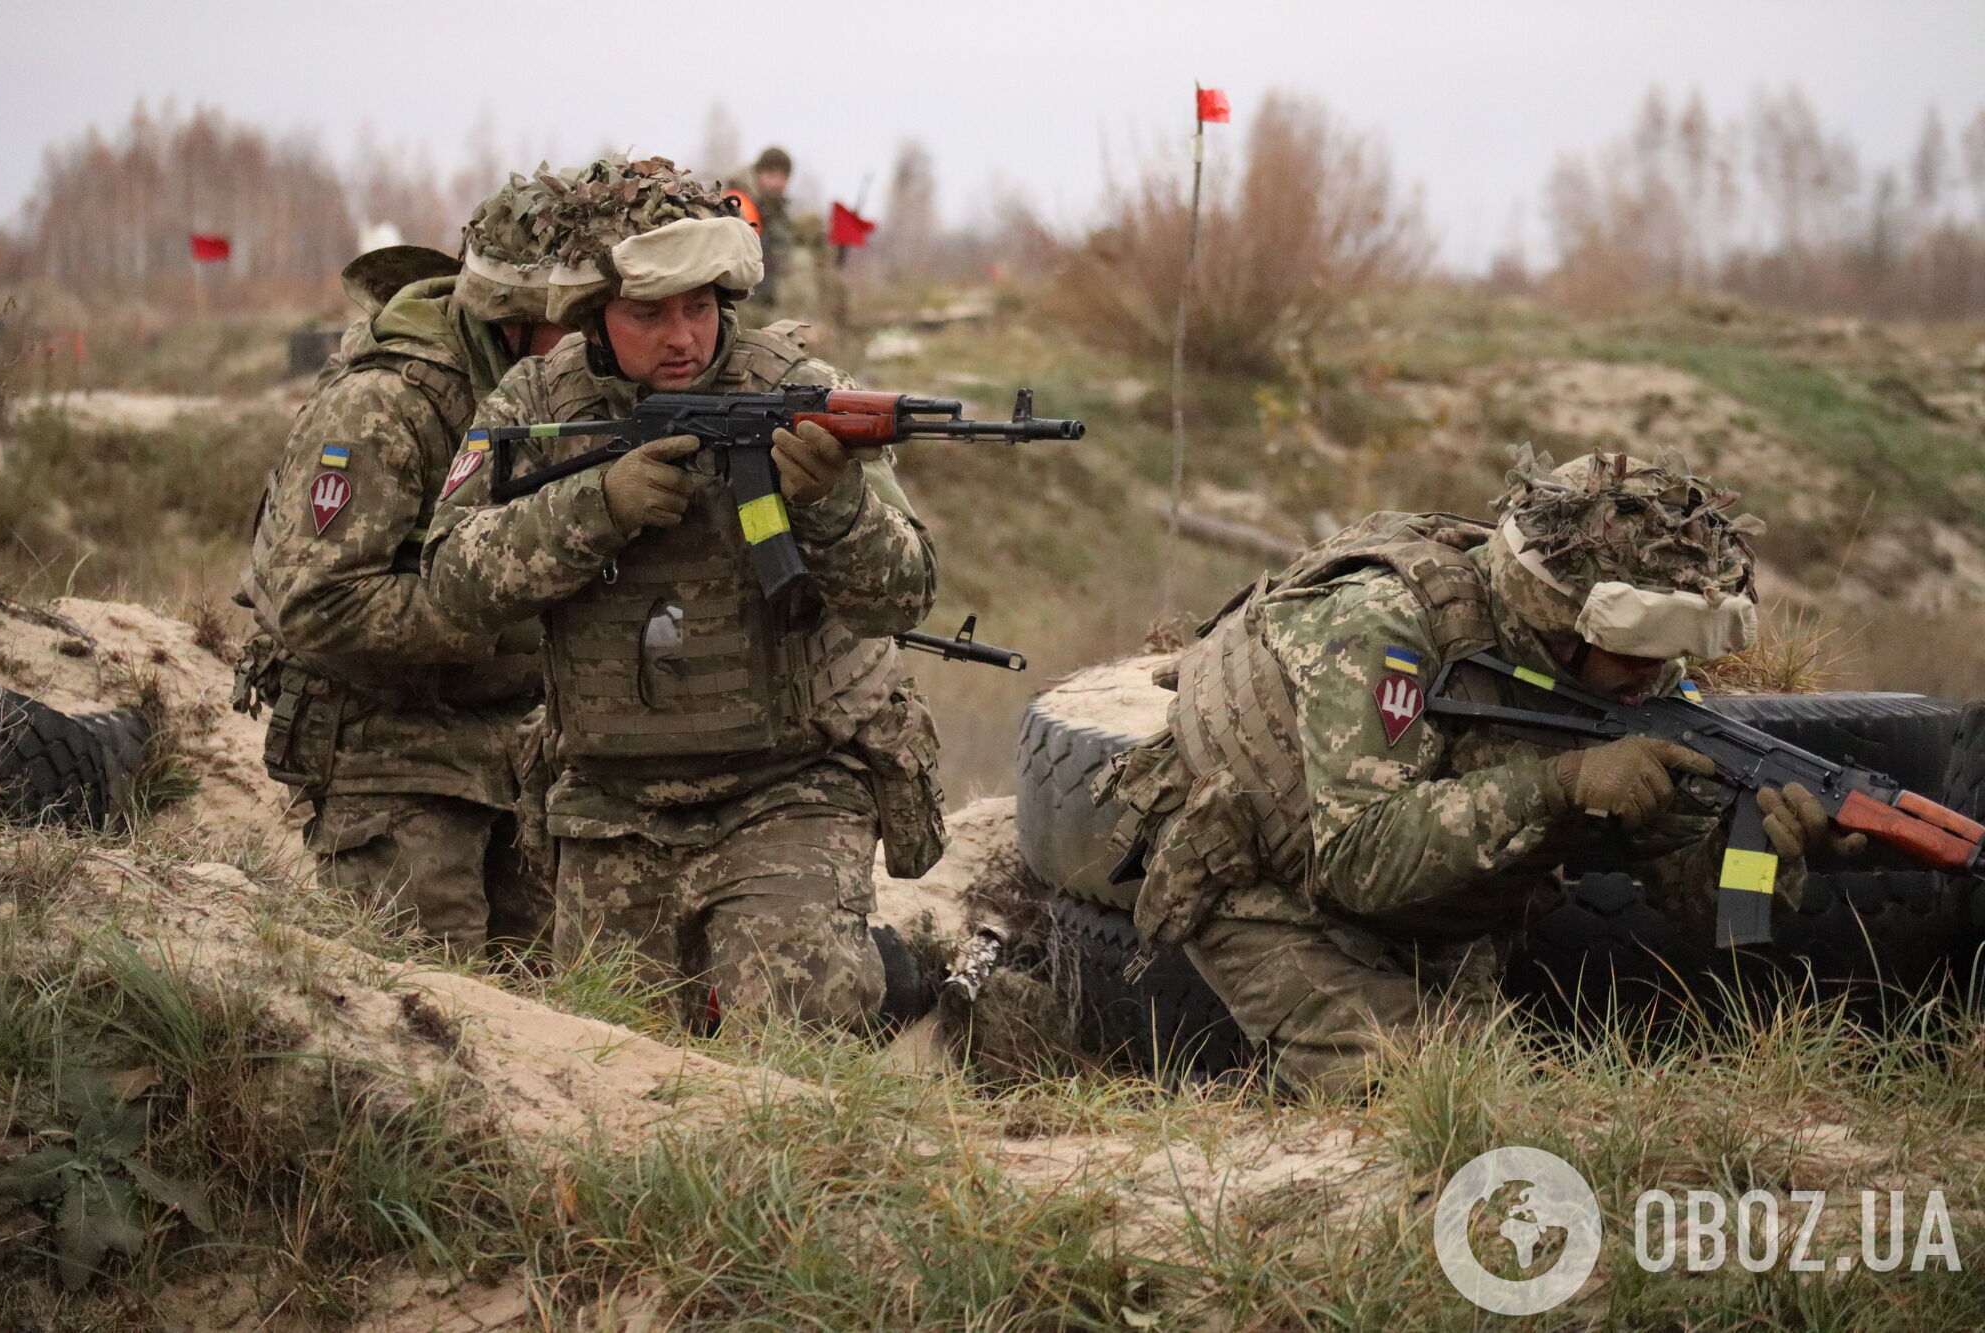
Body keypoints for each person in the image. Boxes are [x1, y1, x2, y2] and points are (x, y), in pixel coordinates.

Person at [1102, 449, 1852, 1095]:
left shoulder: (1639, 682)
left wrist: (1765, 857)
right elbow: (1355, 861)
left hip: (1437, 914)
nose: (1651, 676)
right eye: (1634, 651)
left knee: (1512, 1082)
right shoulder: (1383, 626)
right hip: (1270, 892)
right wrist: (1563, 784)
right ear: (1564, 622)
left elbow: (1712, 916)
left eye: (1667, 655)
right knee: (1453, 1094)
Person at [422, 157, 942, 1031]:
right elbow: (452, 583)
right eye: (649, 313)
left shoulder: (799, 389)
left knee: (793, 1022)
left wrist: (832, 507)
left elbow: (906, 592)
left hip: (788, 788)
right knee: (615, 1064)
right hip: (609, 805)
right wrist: (598, 506)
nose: (682, 338)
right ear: (593, 317)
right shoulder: (536, 406)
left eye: (699, 308)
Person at [234, 173, 572, 954]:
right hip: (389, 760)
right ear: (513, 319)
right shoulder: (388, 403)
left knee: (551, 1032)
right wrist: (490, 606)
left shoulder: (559, 396)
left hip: (520, 757)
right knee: (428, 1021)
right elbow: (317, 606)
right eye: (577, 322)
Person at [724, 146, 794, 310]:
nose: (777, 183)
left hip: (764, 300)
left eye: (782, 177)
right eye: (771, 175)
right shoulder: (738, 203)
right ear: (758, 174)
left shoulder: (778, 212)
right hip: (740, 302)